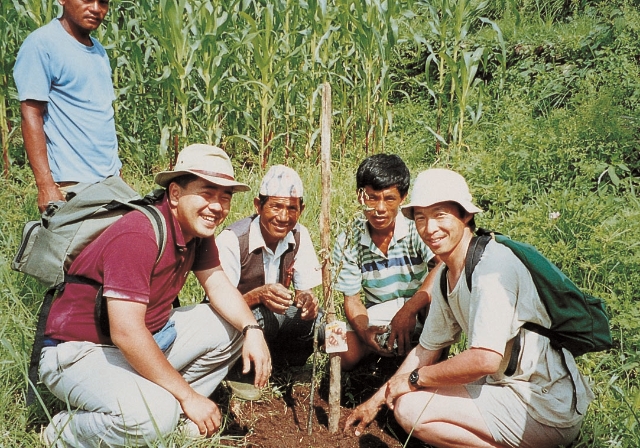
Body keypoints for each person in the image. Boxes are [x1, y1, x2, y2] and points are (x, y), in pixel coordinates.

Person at [39, 144, 271, 447]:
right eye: (207, 193)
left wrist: (252, 329)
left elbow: (218, 285)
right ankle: (63, 431)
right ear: (174, 193)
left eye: (224, 197)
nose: (217, 206)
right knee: (152, 417)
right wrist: (188, 394)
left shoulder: (197, 233)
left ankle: (173, 412)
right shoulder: (139, 234)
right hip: (79, 352)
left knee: (231, 325)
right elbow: (126, 331)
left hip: (140, 338)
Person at [345, 168, 594, 448]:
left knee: (410, 408)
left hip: (543, 404)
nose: (429, 228)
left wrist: (415, 379)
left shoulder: (491, 268)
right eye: (421, 218)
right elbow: (427, 348)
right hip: (505, 387)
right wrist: (376, 401)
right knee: (406, 400)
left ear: (466, 216)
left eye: (440, 215)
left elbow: (484, 359)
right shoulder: (445, 274)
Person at [215, 165, 322, 398]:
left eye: (292, 208)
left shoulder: (299, 235)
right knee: (259, 318)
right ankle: (239, 369)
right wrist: (257, 296)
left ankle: (289, 365)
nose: (283, 217)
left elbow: (304, 292)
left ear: (301, 209)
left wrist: (307, 301)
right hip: (240, 324)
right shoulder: (233, 240)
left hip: (276, 320)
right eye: (276, 206)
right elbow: (214, 307)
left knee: (321, 321)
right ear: (258, 205)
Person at [14, 0, 122, 213]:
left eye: (103, 2)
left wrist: (117, 175)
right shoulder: (42, 44)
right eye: (87, 0)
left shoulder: (99, 51)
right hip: (72, 186)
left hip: (110, 183)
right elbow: (31, 115)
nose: (96, 8)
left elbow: (101, 117)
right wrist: (46, 186)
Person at [332, 154, 436, 370]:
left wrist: (409, 311)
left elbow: (442, 267)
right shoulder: (348, 238)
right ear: (360, 196)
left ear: (403, 197)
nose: (380, 209)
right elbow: (351, 299)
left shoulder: (415, 226)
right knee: (338, 349)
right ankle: (381, 351)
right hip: (378, 311)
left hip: (421, 307)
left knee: (442, 298)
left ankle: (432, 357)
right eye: (372, 198)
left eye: (389, 199)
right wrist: (364, 332)